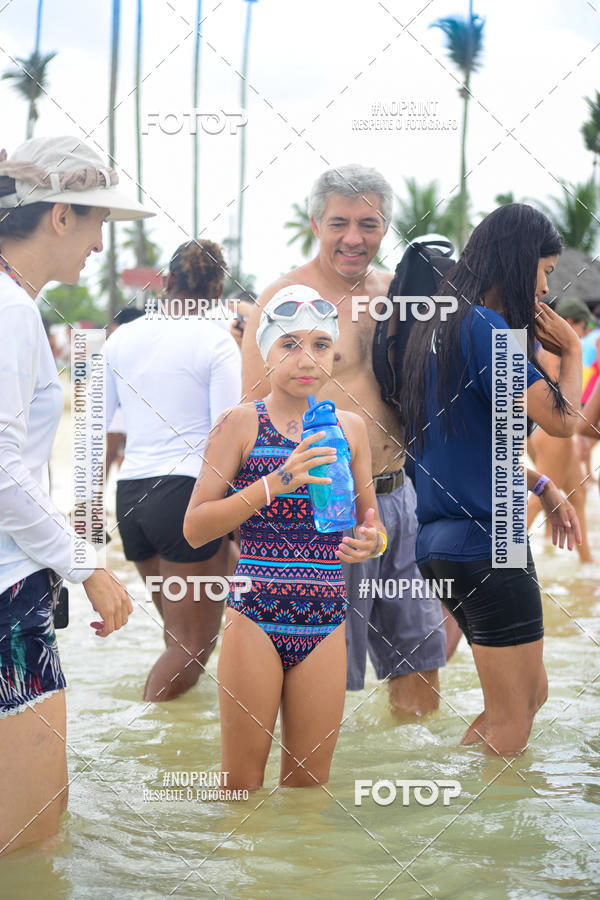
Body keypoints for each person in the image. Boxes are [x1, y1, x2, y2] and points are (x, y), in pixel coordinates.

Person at [241, 164, 446, 715]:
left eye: (368, 223)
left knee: (420, 658)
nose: (353, 238)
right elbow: (251, 414)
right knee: (330, 673)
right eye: (339, 223)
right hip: (322, 506)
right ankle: (323, 795)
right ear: (315, 223)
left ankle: (405, 780)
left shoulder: (397, 296)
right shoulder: (284, 299)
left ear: (386, 228)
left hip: (398, 497)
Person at [0, 136, 141, 855]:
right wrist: (87, 565)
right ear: (60, 215)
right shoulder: (11, 310)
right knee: (32, 831)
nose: (98, 242)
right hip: (6, 593)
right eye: (96, 222)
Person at [401, 203, 583, 756]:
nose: (547, 283)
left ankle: (457, 790)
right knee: (516, 714)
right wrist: (572, 351)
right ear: (518, 259)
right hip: (492, 537)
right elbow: (564, 421)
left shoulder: (435, 329)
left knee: (531, 694)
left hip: (436, 540)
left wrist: (542, 488)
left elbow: (484, 440)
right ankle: (475, 838)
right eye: (545, 269)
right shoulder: (490, 329)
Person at [184, 289, 384, 789]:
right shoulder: (239, 423)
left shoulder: (351, 428)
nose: (305, 359)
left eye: (320, 345)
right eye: (289, 345)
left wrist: (372, 542)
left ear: (333, 354)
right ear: (266, 352)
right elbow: (195, 528)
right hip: (255, 612)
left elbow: (371, 522)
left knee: (308, 790)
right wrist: (279, 481)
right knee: (239, 788)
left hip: (326, 615)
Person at [105, 239, 241, 702]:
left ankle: (171, 746)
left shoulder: (120, 338)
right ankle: (138, 739)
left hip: (132, 500)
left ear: (164, 281)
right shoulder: (219, 341)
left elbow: (94, 428)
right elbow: (228, 434)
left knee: (177, 635)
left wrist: (85, 520)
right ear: (219, 286)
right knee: (192, 645)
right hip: (186, 497)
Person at [527, 297, 594, 562]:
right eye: (582, 327)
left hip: (543, 433)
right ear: (569, 323)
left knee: (579, 494)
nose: (583, 334)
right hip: (555, 435)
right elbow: (563, 401)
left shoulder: (545, 349)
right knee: (539, 499)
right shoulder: (559, 350)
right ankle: (501, 558)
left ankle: (587, 562)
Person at [105, 306, 145, 479]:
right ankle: (97, 502)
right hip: (118, 412)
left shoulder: (124, 346)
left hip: (127, 410)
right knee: (111, 454)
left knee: (124, 456)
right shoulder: (117, 346)